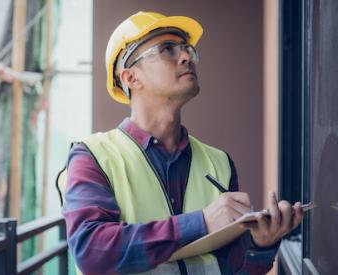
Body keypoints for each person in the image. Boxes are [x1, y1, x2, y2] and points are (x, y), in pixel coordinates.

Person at [57, 11, 304, 274]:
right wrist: (202, 223)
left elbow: (232, 267)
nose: (187, 56)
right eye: (167, 50)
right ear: (131, 78)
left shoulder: (219, 163)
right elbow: (92, 251)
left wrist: (260, 244)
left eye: (187, 49)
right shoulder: (92, 156)